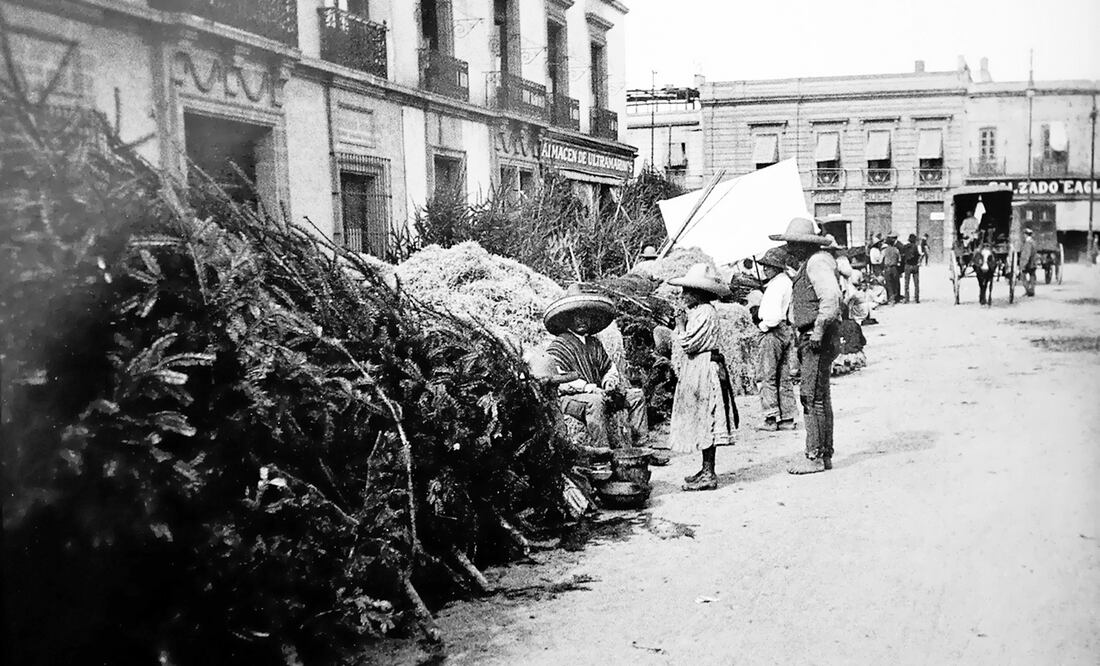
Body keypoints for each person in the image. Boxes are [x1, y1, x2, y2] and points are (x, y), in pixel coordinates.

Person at [768, 218, 841, 475]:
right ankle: (825, 453)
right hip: (813, 335)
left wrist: (818, 331)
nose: (789, 248)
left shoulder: (816, 263)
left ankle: (815, 456)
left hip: (816, 336)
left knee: (811, 397)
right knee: (820, 396)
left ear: (803, 244)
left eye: (792, 244)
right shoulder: (809, 264)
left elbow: (831, 299)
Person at [544, 285, 648, 451]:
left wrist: (609, 382)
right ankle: (603, 453)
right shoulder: (558, 345)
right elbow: (560, 379)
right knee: (596, 401)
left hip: (600, 393)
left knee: (636, 396)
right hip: (571, 399)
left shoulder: (594, 343)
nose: (583, 321)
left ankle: (641, 448)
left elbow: (609, 367)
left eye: (586, 316)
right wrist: (589, 388)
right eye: (577, 316)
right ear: (568, 319)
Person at [667, 264, 738, 491]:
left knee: (707, 417)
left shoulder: (705, 312)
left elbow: (689, 343)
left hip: (704, 368)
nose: (683, 296)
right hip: (697, 367)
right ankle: (705, 468)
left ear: (699, 293)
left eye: (687, 292)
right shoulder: (698, 312)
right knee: (700, 417)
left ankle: (709, 473)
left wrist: (679, 326)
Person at [754, 247, 797, 432]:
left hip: (772, 331)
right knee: (783, 375)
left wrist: (762, 326)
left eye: (768, 266)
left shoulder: (775, 286)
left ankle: (770, 417)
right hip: (786, 329)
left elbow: (772, 316)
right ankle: (787, 417)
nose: (765, 269)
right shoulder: (786, 282)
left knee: (766, 375)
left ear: (776, 267)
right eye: (764, 266)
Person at [881, 234, 902, 304]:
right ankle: (896, 298)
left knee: (889, 283)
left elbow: (881, 259)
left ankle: (891, 298)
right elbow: (899, 260)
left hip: (887, 268)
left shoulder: (884, 250)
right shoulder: (896, 250)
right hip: (894, 268)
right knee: (896, 283)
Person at [901, 233, 921, 303]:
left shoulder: (905, 247)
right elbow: (918, 255)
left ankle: (907, 298)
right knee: (916, 283)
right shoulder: (916, 246)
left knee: (907, 283)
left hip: (907, 265)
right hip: (915, 265)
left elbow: (902, 256)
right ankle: (916, 298)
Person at [1019, 228, 1038, 297]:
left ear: (1026, 235)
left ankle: (1028, 291)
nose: (1023, 236)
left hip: (1028, 263)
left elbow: (1027, 255)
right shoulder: (1033, 242)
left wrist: (1023, 265)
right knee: (1032, 276)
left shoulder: (1028, 243)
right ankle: (1032, 290)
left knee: (1022, 276)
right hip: (1033, 262)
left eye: (1024, 234)